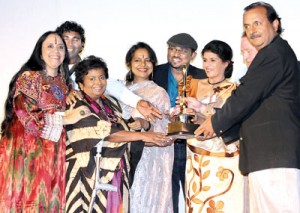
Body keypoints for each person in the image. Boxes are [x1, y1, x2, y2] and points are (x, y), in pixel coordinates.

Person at [195, 2, 300, 212]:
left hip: (274, 156)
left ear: (275, 24)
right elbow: (255, 104)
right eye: (247, 26)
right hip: (268, 157)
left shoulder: (273, 53)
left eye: (257, 23)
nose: (252, 30)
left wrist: (214, 123)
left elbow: (246, 96)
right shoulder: (275, 53)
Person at [65, 55, 171, 213]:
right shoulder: (77, 106)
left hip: (114, 175)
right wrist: (144, 136)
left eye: (101, 77)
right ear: (80, 84)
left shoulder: (110, 103)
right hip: (87, 179)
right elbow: (106, 132)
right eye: (92, 79)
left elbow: (125, 132)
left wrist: (154, 138)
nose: (98, 83)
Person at [0, 31, 90, 212]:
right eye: (50, 46)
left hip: (54, 153)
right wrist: (65, 118)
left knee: (50, 201)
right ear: (39, 51)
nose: (56, 50)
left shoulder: (64, 83)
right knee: (27, 201)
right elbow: (26, 115)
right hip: (27, 153)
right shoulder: (29, 77)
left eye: (60, 47)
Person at [179, 40, 246, 212]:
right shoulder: (192, 84)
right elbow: (185, 117)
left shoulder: (235, 90)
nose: (207, 65)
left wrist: (202, 109)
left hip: (224, 158)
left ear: (226, 63)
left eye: (213, 60)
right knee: (196, 204)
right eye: (205, 59)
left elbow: (230, 120)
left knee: (224, 205)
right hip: (195, 157)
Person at [56, 21, 161, 122]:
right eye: (65, 39)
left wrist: (137, 101)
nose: (70, 44)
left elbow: (112, 86)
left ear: (82, 44)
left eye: (75, 39)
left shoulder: (87, 68)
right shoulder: (48, 71)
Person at [153, 33, 207, 213]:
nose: (175, 53)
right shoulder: (154, 72)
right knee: (166, 195)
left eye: (182, 50)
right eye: (172, 49)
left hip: (193, 144)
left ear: (193, 55)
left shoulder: (203, 75)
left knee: (195, 192)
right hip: (162, 143)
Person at [121, 42, 173, 212]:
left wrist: (145, 125)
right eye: (138, 60)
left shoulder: (159, 93)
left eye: (148, 60)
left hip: (150, 159)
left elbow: (166, 131)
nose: (143, 65)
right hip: (122, 157)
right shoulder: (120, 91)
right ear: (129, 63)